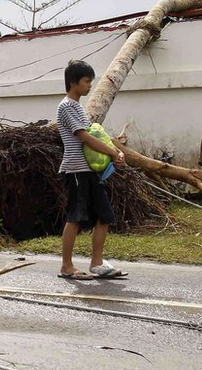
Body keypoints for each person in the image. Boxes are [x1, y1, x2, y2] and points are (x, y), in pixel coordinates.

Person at [56, 60, 127, 280]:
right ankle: (66, 266)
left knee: (104, 215)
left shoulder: (78, 107)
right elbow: (85, 137)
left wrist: (116, 152)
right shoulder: (67, 106)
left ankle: (97, 263)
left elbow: (96, 136)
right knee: (75, 217)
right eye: (87, 81)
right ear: (73, 82)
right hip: (76, 170)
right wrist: (113, 153)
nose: (89, 86)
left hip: (89, 171)